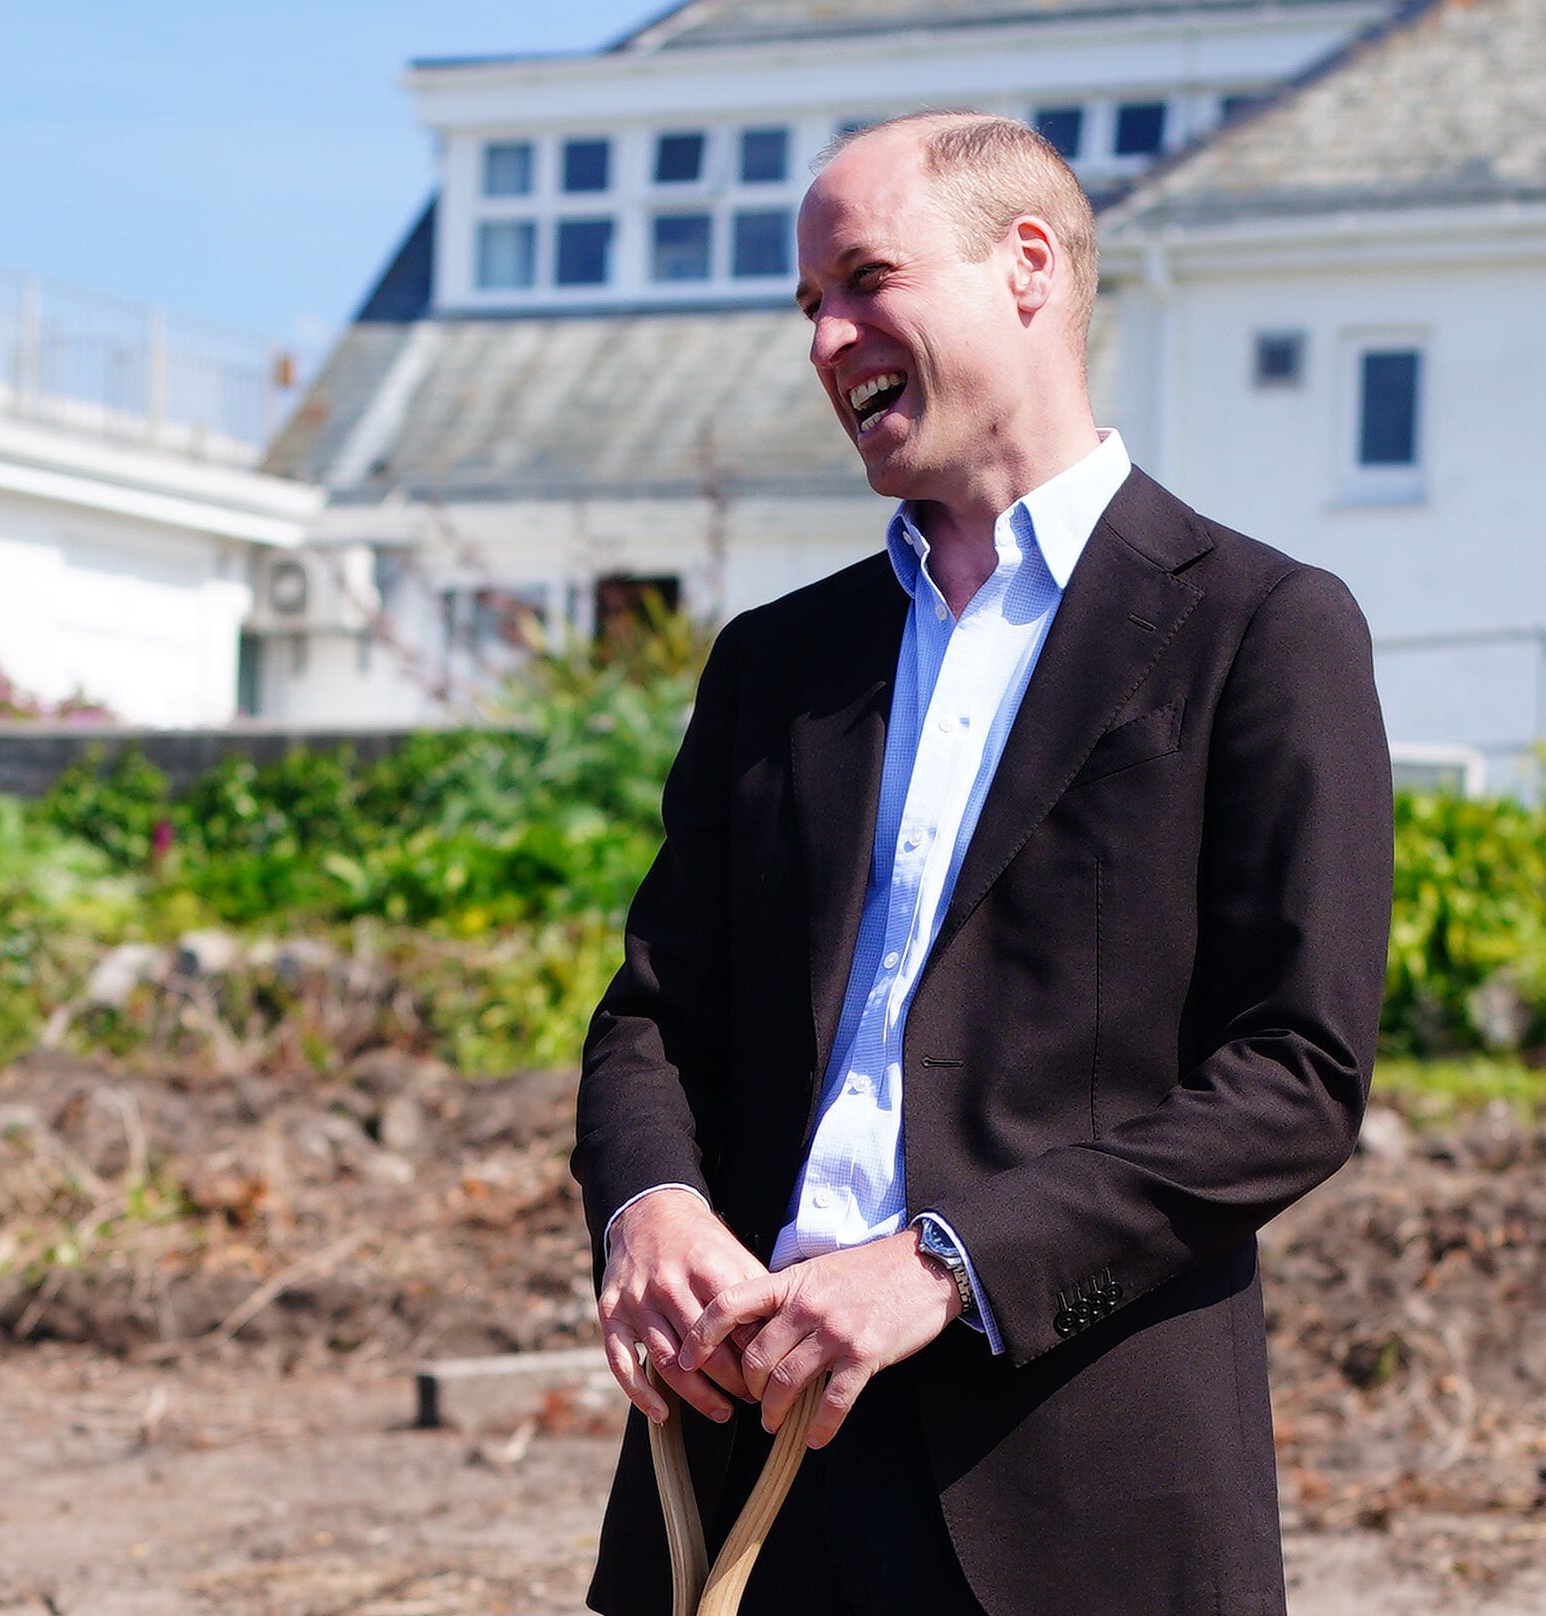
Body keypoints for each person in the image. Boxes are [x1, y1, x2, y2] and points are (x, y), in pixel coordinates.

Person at [574, 110, 1393, 1616]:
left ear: (1026, 265)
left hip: (1072, 1484)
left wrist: (945, 1264)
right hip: (741, 1462)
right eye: (807, 303)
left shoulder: (1263, 630)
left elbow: (1294, 1073)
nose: (825, 337)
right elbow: (652, 1012)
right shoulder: (776, 661)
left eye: (862, 280)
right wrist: (650, 1209)